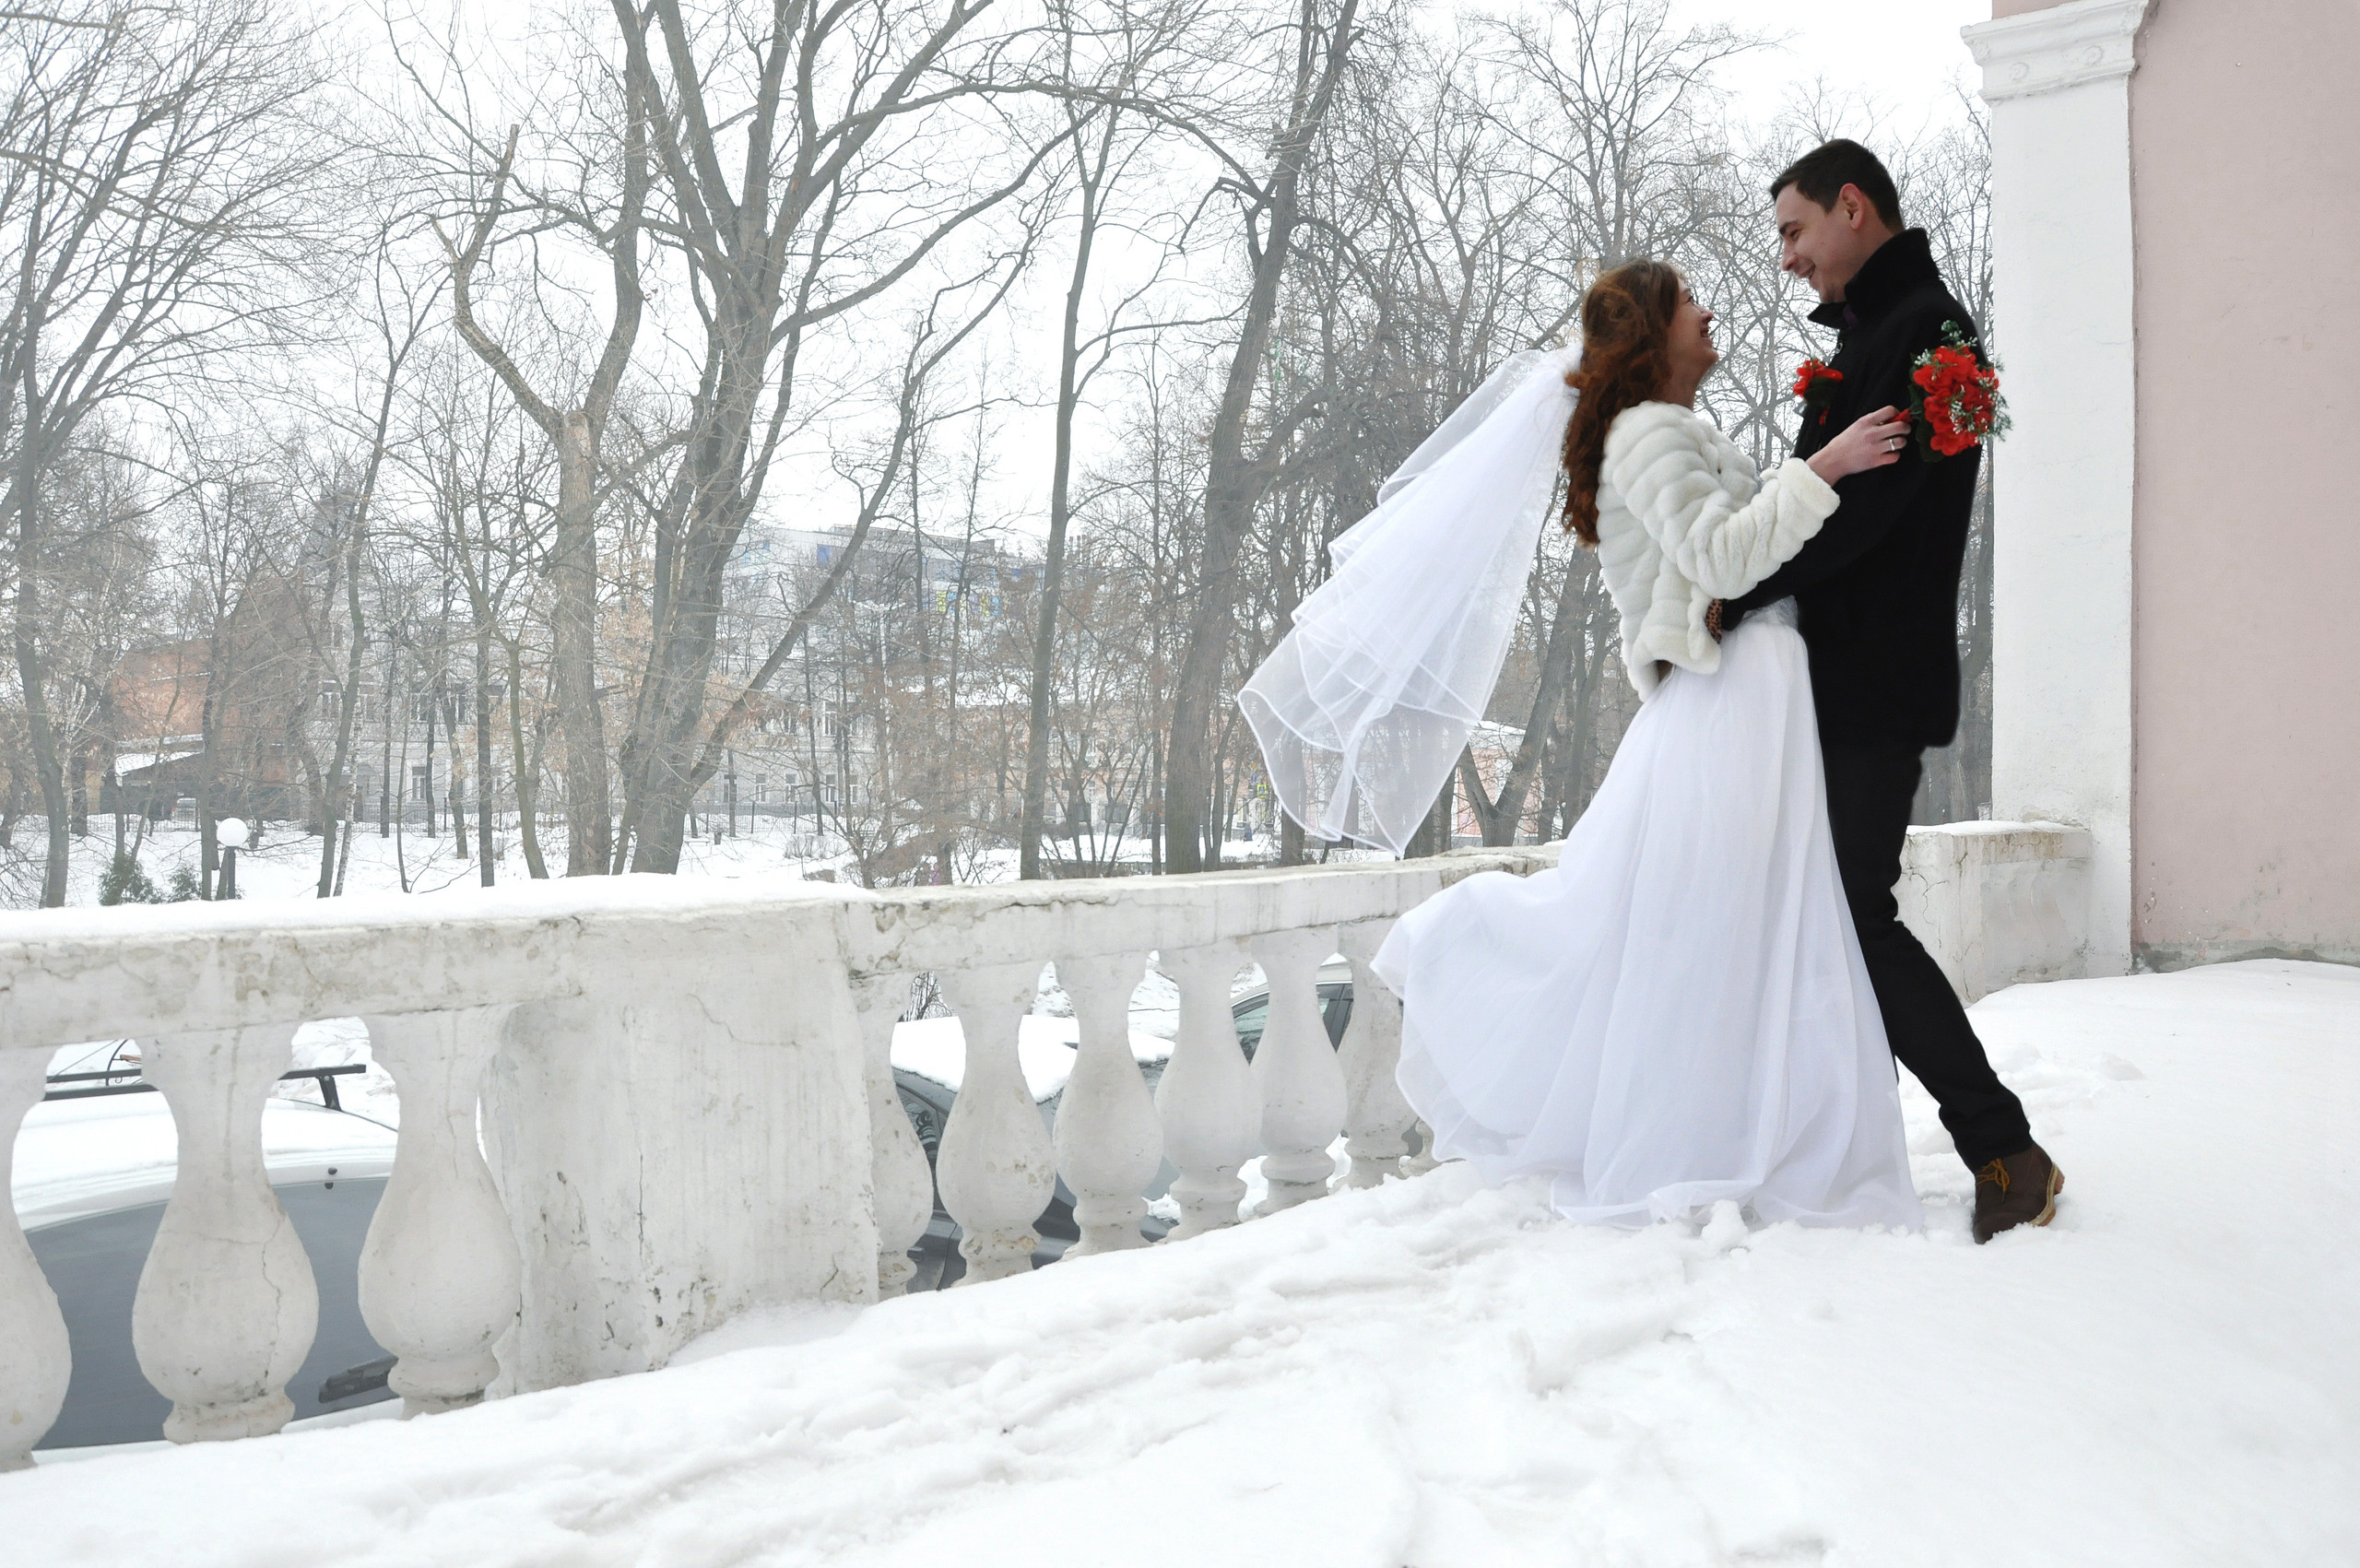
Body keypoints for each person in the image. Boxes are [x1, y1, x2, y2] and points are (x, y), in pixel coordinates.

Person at [1721, 139, 2059, 1243]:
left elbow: (1866, 522)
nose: (1787, 257)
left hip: (1872, 681)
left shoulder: (1928, 333)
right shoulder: (1878, 330)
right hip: (1834, 678)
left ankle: (2004, 1148)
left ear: (1852, 207)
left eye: (1794, 230)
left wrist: (1731, 590)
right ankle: (1803, 1137)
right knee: (1826, 911)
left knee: (1855, 913)